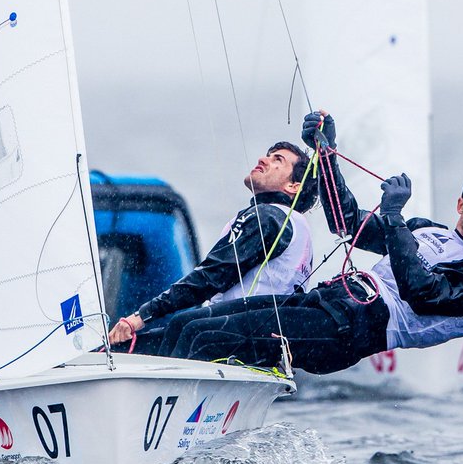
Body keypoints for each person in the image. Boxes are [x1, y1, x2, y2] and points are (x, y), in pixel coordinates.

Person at [161, 112, 463, 374]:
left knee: (205, 336)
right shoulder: (423, 230)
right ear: (460, 204)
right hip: (326, 301)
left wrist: (393, 216)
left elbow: (420, 291)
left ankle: (173, 423)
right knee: (186, 323)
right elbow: (346, 222)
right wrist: (326, 153)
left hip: (349, 331)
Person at [106, 142, 319, 351]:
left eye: (277, 160)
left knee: (122, 349)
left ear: (293, 186)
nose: (263, 159)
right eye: (268, 155)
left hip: (235, 339)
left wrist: (141, 316)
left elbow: (213, 275)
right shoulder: (297, 226)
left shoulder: (268, 216)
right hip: (266, 341)